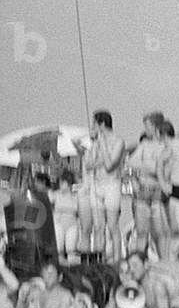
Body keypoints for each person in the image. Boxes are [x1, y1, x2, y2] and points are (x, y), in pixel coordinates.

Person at [74, 109, 125, 261]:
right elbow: (89, 164)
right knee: (98, 226)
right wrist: (90, 147)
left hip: (111, 184)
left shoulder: (118, 141)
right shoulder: (96, 143)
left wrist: (102, 144)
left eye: (94, 123)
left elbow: (110, 165)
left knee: (112, 225)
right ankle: (99, 259)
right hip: (97, 185)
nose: (92, 127)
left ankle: (116, 258)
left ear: (101, 124)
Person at [127, 112, 170, 259]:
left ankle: (164, 262)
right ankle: (140, 260)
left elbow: (165, 169)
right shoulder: (144, 145)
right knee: (141, 231)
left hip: (158, 191)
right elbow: (132, 162)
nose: (146, 129)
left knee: (160, 232)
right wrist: (152, 166)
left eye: (148, 126)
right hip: (143, 190)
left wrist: (149, 167)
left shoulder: (165, 145)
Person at [51, 170, 80, 265]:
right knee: (59, 251)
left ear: (68, 184)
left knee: (71, 252)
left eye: (62, 182)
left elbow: (79, 211)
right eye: (60, 182)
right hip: (58, 224)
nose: (60, 184)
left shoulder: (76, 196)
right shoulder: (55, 194)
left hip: (72, 225)